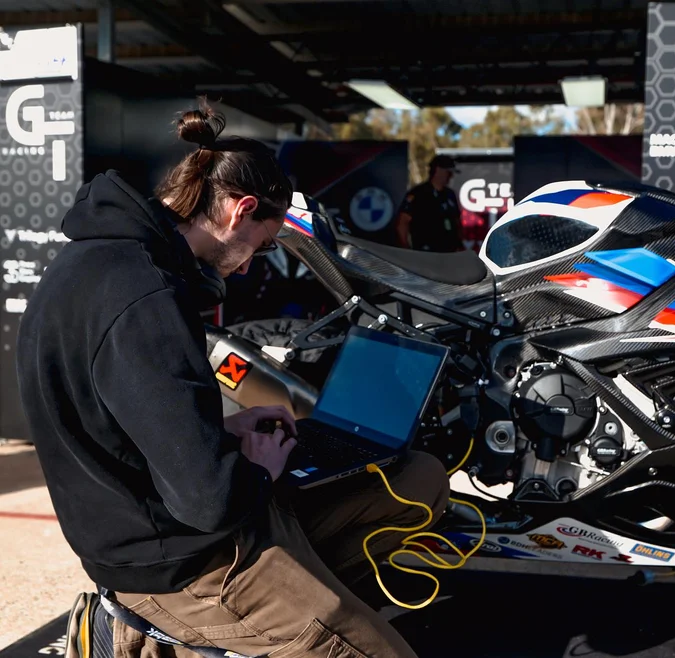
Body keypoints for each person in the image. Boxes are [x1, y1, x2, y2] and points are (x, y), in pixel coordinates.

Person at [16, 100, 449, 658]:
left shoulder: (99, 262)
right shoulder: (146, 297)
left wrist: (224, 432)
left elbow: (121, 422)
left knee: (419, 478)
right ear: (240, 211)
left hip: (172, 522)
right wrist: (262, 470)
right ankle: (151, 635)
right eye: (261, 246)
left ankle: (308, 614)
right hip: (184, 562)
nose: (246, 267)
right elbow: (210, 502)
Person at [395, 154, 463, 252]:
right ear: (438, 170)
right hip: (426, 251)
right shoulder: (418, 194)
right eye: (448, 172)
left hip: (449, 252)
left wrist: (459, 244)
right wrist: (405, 248)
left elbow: (457, 221)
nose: (451, 176)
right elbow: (402, 222)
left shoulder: (450, 194)